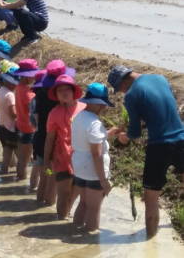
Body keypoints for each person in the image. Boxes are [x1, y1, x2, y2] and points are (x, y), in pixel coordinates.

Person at [108, 65, 184, 239]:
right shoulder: (161, 78)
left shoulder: (131, 95)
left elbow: (135, 133)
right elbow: (160, 110)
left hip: (158, 146)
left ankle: (150, 242)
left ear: (122, 83)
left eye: (119, 89)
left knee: (151, 198)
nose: (122, 92)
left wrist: (125, 136)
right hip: (181, 139)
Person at [72, 83, 120, 232]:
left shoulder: (78, 117)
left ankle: (73, 231)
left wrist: (109, 133)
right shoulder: (95, 123)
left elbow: (88, 140)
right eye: (104, 106)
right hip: (93, 171)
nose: (105, 109)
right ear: (99, 104)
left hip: (79, 167)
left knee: (83, 203)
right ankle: (90, 239)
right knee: (94, 208)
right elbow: (96, 154)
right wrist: (104, 181)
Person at [44, 75, 85, 220]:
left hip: (82, 160)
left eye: (67, 88)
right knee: (63, 194)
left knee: (76, 192)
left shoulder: (83, 108)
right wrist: (46, 162)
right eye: (59, 90)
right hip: (61, 160)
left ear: (73, 91)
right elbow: (50, 139)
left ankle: (66, 220)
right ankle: (60, 222)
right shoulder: (54, 113)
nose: (64, 92)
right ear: (56, 94)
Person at [34, 60, 75, 205]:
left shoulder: (39, 94)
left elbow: (36, 118)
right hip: (53, 147)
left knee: (44, 177)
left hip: (40, 140)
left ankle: (39, 205)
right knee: (52, 180)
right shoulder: (59, 104)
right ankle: (49, 210)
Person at [13, 59, 42, 180]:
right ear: (26, 76)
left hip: (19, 125)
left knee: (21, 159)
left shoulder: (19, 87)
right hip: (28, 129)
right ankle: (21, 183)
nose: (34, 78)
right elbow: (33, 113)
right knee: (24, 161)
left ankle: (19, 178)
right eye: (33, 75)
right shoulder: (28, 93)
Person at [0, 69, 19, 174]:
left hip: (2, 128)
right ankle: (20, 179)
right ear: (11, 83)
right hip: (11, 130)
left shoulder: (0, 91)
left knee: (6, 157)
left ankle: (3, 175)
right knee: (22, 159)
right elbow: (13, 114)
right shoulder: (10, 95)